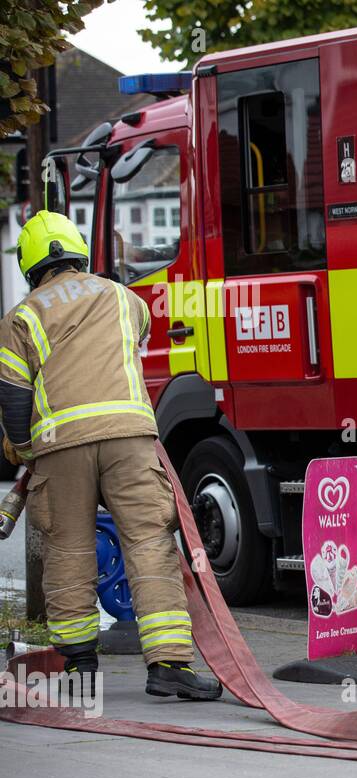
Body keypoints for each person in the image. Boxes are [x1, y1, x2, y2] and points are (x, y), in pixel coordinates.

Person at [0, 210, 222, 700]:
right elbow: (134, 343)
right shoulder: (124, 297)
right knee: (149, 543)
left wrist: (24, 446)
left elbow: (13, 400)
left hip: (61, 449)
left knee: (69, 549)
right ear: (79, 251)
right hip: (130, 438)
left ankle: (80, 666)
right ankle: (169, 666)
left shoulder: (20, 318)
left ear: (31, 266)